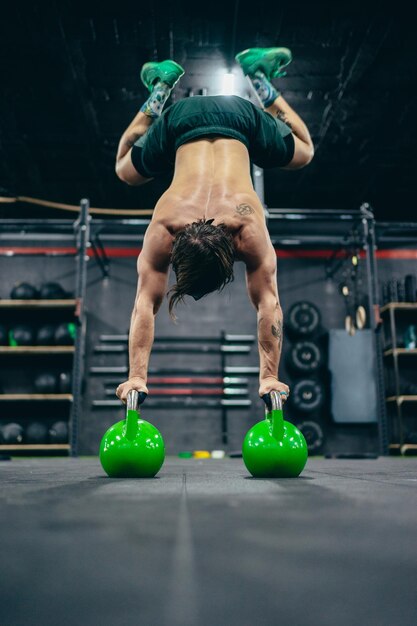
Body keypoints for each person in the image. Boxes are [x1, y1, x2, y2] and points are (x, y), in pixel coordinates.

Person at [115, 47, 314, 406]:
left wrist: (137, 377)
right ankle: (167, 87)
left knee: (305, 151)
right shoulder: (204, 228)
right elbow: (268, 301)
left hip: (220, 119)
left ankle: (253, 80)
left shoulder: (205, 227)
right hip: (212, 118)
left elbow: (145, 302)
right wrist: (267, 376)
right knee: (124, 170)